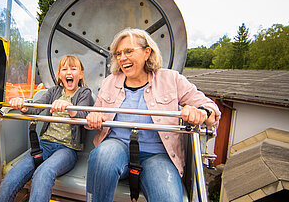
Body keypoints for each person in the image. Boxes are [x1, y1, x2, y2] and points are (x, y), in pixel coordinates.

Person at [85, 28, 221, 202]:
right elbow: (96, 113)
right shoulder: (110, 81)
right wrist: (95, 117)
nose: (122, 58)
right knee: (102, 158)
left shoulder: (171, 79)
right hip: (117, 146)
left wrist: (200, 112)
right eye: (118, 53)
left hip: (157, 155)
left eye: (129, 51)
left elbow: (211, 110)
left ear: (147, 52)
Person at [0, 55, 94, 202]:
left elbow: (84, 114)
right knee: (11, 178)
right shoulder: (53, 92)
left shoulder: (84, 93)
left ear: (81, 74)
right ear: (60, 75)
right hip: (44, 144)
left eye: (73, 68)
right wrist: (22, 104)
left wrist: (69, 108)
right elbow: (35, 108)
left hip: (67, 149)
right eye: (64, 69)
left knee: (43, 172)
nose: (69, 72)